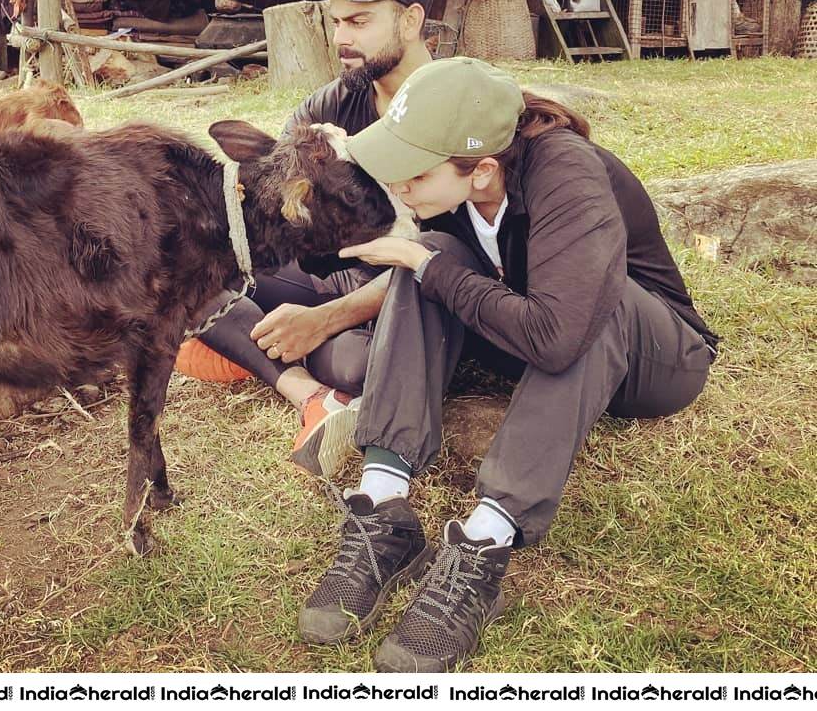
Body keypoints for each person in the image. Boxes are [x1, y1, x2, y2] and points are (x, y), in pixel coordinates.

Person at [297, 56, 718, 672]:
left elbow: (556, 336)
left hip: (653, 360)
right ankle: (383, 502)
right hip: (534, 328)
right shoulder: (451, 186)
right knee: (430, 251)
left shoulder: (567, 173)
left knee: (574, 300)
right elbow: (418, 260)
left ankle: (485, 541)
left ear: (482, 170)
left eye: (412, 172)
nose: (398, 184)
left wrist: (431, 269)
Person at [191, 0, 434, 478]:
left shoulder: (451, 107)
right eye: (337, 21)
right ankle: (306, 394)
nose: (342, 38)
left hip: (409, 295)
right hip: (328, 273)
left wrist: (326, 320)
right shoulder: (329, 103)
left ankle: (276, 351)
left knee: (354, 363)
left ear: (412, 20)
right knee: (193, 272)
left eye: (360, 21)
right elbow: (275, 204)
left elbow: (448, 254)